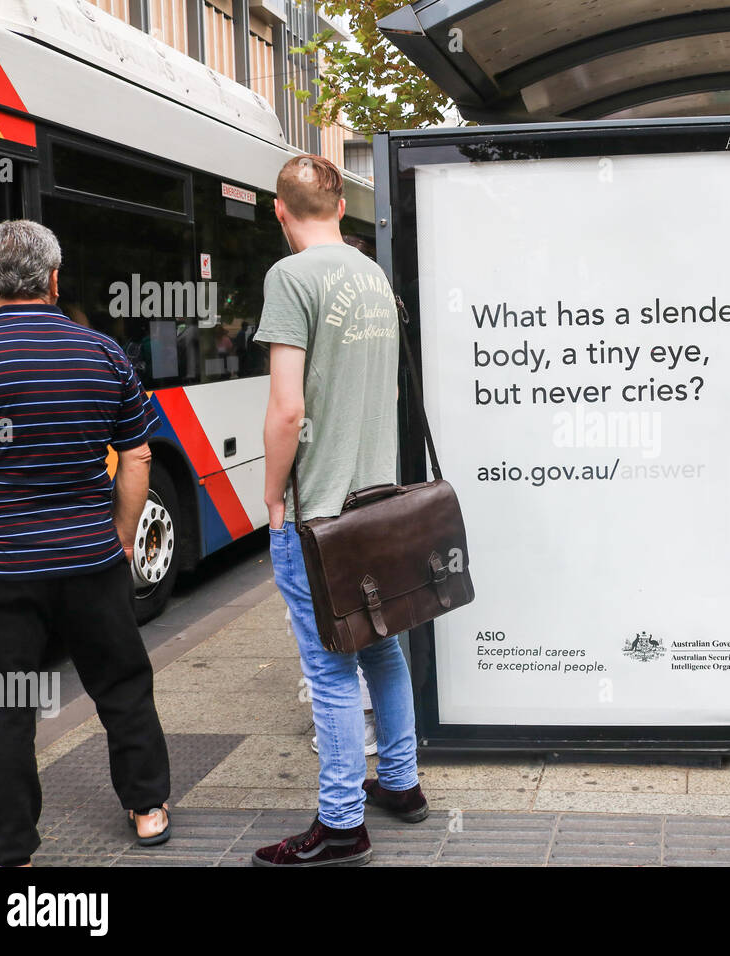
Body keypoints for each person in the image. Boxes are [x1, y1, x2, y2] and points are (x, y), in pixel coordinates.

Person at [0, 220, 171, 866]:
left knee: (0, 706)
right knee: (122, 683)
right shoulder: (102, 353)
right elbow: (136, 456)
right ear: (54, 280)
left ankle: (9, 848)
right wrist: (122, 535)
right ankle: (148, 808)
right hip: (90, 561)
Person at [251, 155, 428, 867]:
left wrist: (270, 494)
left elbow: (287, 407)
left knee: (329, 669)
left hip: (318, 513)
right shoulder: (370, 273)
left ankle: (342, 823)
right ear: (340, 206)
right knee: (382, 644)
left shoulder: (289, 278)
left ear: (280, 210)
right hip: (375, 501)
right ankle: (404, 784)